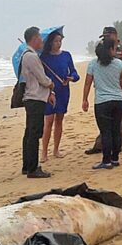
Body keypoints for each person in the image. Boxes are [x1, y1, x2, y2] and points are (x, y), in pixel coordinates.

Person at [84, 26, 122, 155]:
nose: (106, 39)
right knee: (106, 119)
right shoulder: (103, 48)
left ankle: (116, 143)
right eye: (104, 37)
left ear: (115, 35)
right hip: (104, 88)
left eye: (108, 36)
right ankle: (102, 144)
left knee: (118, 117)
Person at [82, 39, 122, 170]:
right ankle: (115, 158)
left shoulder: (93, 64)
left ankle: (106, 160)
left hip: (102, 102)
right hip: (118, 100)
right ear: (110, 50)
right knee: (116, 131)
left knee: (105, 131)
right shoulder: (119, 64)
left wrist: (85, 99)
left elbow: (88, 83)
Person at [19, 26, 55, 178]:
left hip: (33, 97)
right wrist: (50, 84)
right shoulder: (31, 56)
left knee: (30, 132)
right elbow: (42, 78)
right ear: (34, 39)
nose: (42, 40)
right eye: (39, 37)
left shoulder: (29, 55)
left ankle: (27, 166)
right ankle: (32, 168)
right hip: (34, 98)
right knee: (34, 133)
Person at [39, 30, 80, 162]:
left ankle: (56, 149)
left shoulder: (66, 55)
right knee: (48, 120)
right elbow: (41, 76)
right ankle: (44, 152)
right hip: (50, 91)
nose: (58, 43)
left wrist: (70, 78)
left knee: (59, 120)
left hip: (63, 90)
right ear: (50, 42)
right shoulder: (44, 58)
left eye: (60, 40)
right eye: (56, 41)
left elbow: (75, 73)